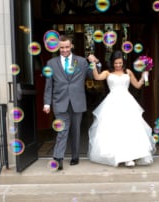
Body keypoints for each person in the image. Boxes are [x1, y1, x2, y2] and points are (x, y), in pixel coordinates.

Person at [88, 50, 156, 167]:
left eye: (120, 63)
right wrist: (93, 64)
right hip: (112, 103)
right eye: (116, 63)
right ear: (112, 63)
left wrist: (145, 75)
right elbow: (97, 77)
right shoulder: (107, 73)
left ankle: (130, 157)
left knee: (129, 129)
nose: (118, 65)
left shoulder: (128, 72)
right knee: (115, 129)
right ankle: (118, 156)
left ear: (123, 62)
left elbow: (138, 85)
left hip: (127, 102)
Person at [43, 35, 100, 170]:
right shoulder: (51, 63)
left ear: (71, 46)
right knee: (62, 130)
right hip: (59, 101)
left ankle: (75, 156)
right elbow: (48, 85)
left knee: (75, 130)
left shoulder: (81, 61)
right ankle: (58, 158)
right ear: (58, 47)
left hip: (77, 101)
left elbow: (92, 76)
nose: (64, 50)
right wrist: (47, 103)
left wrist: (95, 63)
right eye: (62, 47)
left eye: (67, 47)